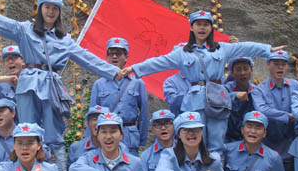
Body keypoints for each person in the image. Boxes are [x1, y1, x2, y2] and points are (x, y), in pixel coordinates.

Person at [0, 0, 119, 171]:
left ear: (59, 12)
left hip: (51, 86)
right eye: (47, 7)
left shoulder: (65, 39)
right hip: (28, 84)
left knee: (53, 133)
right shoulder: (25, 30)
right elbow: (6, 24)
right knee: (27, 130)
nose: (51, 12)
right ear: (40, 9)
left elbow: (87, 58)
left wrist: (114, 72)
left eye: (55, 8)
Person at [119, 10, 284, 155]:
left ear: (211, 28)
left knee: (217, 142)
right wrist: (133, 68)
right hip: (194, 100)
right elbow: (158, 62)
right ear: (192, 27)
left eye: (206, 24)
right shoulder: (182, 53)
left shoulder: (221, 48)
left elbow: (245, 47)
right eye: (198, 24)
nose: (202, 28)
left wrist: (267, 50)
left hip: (217, 98)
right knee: (195, 140)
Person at [90, 37, 149, 156]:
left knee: (131, 166)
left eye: (118, 53)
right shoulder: (99, 85)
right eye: (111, 53)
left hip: (129, 136)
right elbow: (92, 116)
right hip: (107, 136)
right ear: (107, 57)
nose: (114, 57)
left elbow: (144, 114)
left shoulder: (137, 83)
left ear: (126, 57)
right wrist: (92, 140)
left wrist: (141, 138)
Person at [224, 56, 256, 142]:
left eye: (246, 69)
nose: (242, 73)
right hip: (227, 139)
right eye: (238, 70)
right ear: (232, 73)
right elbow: (217, 99)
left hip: (250, 139)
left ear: (251, 70)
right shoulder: (226, 89)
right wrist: (234, 95)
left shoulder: (257, 91)